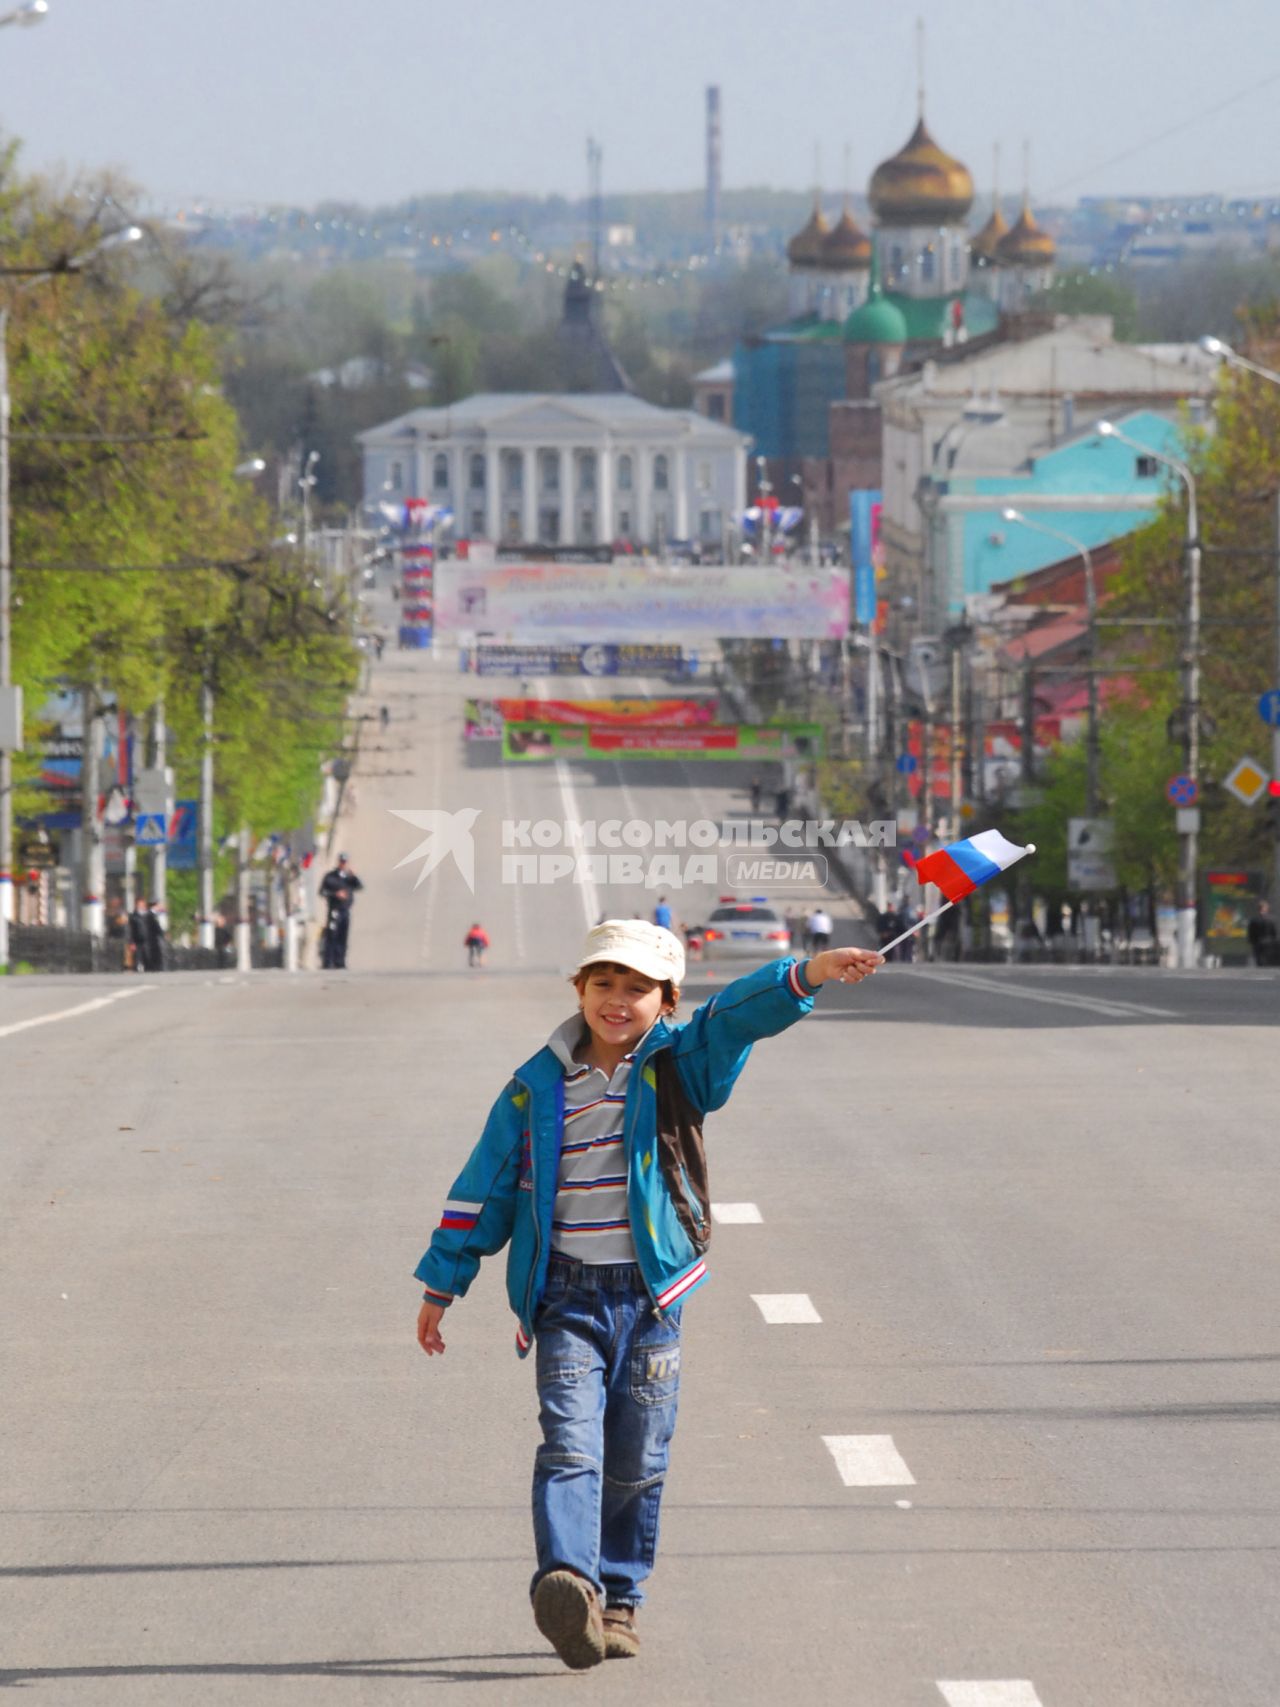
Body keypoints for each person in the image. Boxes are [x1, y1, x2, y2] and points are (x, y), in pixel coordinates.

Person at [414, 920, 883, 1669]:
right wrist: (445, 1278)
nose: (617, 1000)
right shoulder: (534, 1084)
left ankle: (622, 1598)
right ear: (580, 990)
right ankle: (569, 1580)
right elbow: (486, 1185)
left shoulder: (679, 1066)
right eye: (604, 983)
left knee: (634, 1459)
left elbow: (734, 1015)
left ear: (666, 1001)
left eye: (637, 988)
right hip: (564, 1297)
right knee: (570, 1444)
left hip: (651, 1299)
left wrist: (812, 971)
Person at [319, 853, 364, 969]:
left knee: (342, 936)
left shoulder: (348, 878)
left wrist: (354, 876)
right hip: (334, 910)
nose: (343, 864)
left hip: (345, 911)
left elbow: (359, 886)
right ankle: (328, 961)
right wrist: (335, 894)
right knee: (332, 935)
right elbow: (322, 892)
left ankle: (340, 961)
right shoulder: (330, 877)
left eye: (345, 862)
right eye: (341, 862)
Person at [1247, 900, 1278, 968]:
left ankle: (1261, 969)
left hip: (1257, 942)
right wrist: (1273, 941)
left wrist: (1252, 941)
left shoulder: (1253, 920)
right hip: (1268, 943)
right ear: (1265, 909)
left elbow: (1251, 933)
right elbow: (1274, 933)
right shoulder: (1271, 919)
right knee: (1267, 960)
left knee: (1259, 960)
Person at [128, 897, 151, 973]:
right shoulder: (133, 917)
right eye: (139, 904)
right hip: (137, 940)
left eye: (142, 904)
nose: (140, 906)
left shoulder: (148, 915)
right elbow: (130, 931)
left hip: (148, 940)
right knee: (138, 957)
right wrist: (131, 942)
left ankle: (149, 969)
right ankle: (138, 970)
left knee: (148, 956)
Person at [143, 899, 167, 972]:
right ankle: (155, 967)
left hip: (153, 937)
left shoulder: (152, 914)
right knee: (154, 952)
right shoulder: (151, 915)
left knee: (155, 952)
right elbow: (156, 926)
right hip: (152, 937)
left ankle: (156, 967)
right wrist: (162, 933)